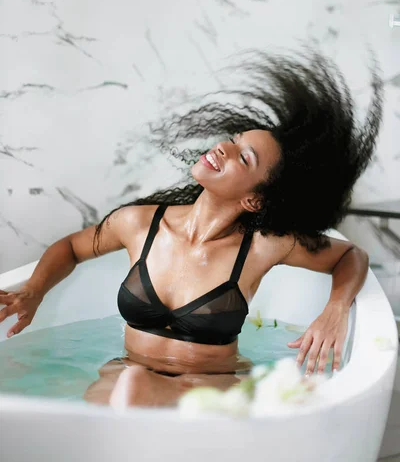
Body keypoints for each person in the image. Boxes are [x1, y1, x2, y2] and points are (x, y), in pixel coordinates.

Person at [0, 50, 383, 409]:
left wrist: (335, 310)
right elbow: (72, 247)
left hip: (210, 386)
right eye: (234, 140)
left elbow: (350, 255)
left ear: (255, 200)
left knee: (130, 396)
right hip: (124, 370)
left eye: (243, 157)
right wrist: (34, 289)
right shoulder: (140, 223)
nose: (223, 148)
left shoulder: (263, 246)